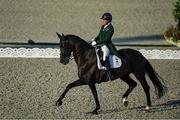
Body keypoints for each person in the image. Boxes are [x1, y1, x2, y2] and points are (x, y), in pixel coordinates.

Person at [91, 12, 121, 80]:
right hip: (100, 44)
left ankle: (110, 74)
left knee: (104, 58)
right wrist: (95, 39)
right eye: (102, 19)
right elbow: (99, 36)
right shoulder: (102, 26)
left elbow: (106, 40)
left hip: (106, 45)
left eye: (104, 20)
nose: (102, 21)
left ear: (109, 20)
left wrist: (96, 42)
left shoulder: (111, 28)